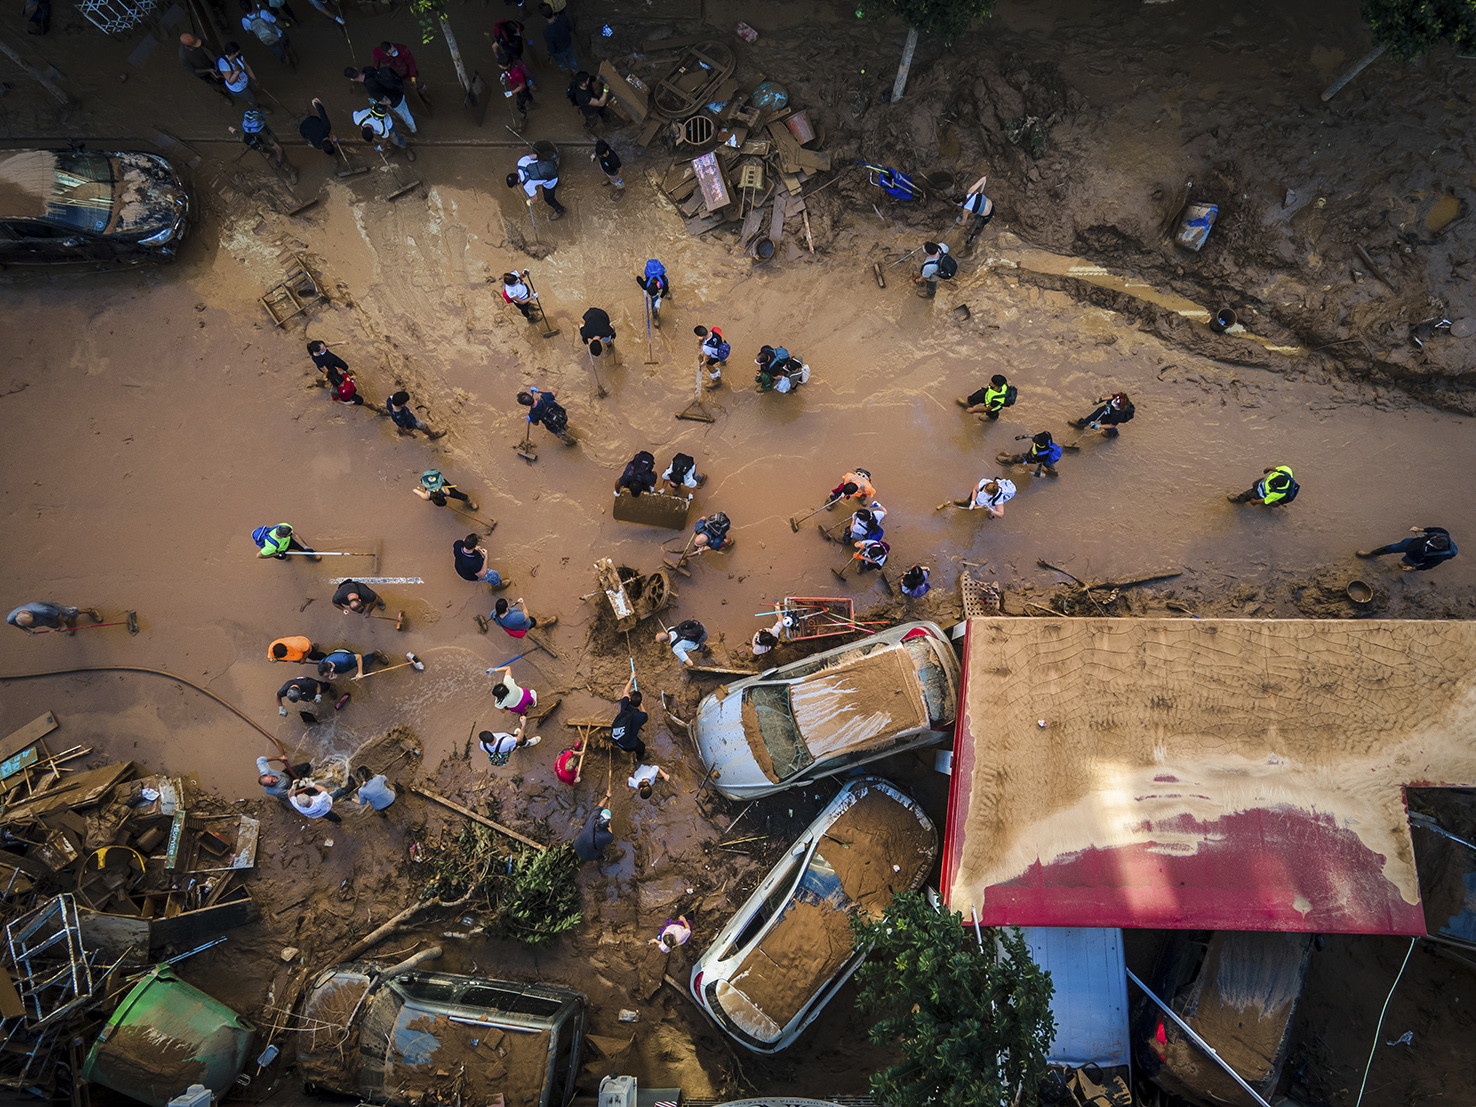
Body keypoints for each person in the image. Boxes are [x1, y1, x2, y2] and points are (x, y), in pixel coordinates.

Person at [348, 64, 417, 134]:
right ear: (355, 69)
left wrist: (376, 101)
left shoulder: (370, 88)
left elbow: (388, 102)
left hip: (396, 101)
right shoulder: (367, 69)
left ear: (352, 79)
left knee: (406, 115)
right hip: (397, 88)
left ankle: (413, 130)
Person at [231, 110, 297, 182]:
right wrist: (231, 129)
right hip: (260, 145)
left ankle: (292, 170)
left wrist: (278, 163)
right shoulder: (246, 131)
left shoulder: (267, 136)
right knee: (263, 149)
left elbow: (279, 150)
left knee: (282, 158)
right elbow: (238, 134)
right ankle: (268, 152)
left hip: (267, 143)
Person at [1357, 526, 1458, 572]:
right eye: (1432, 540)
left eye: (1433, 545)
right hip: (1410, 543)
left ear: (1439, 547)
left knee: (1405, 562)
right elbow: (1431, 529)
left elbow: (1429, 565)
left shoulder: (1441, 556)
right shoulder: (1442, 532)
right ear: (1435, 536)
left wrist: (1414, 568)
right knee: (1392, 547)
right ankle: (1372, 554)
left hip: (1415, 557)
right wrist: (1420, 529)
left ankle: (1406, 565)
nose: (1430, 542)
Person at [508, 153, 564, 218]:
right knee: (549, 177)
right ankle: (557, 183)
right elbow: (535, 155)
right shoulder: (521, 162)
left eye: (515, 185)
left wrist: (530, 202)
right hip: (549, 166)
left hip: (551, 181)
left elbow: (535, 198)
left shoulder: (527, 185)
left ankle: (560, 210)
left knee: (548, 199)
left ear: (518, 181)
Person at [179, 34, 231, 100]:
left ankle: (227, 87)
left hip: (208, 63)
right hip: (202, 73)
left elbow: (210, 46)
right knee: (215, 86)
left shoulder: (195, 39)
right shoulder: (183, 56)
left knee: (221, 77)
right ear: (188, 46)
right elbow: (193, 70)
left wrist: (220, 58)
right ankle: (223, 95)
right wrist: (209, 70)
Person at [610, 676, 649, 758]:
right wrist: (641, 704)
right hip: (629, 746)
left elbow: (625, 692)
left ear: (630, 700)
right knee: (641, 747)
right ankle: (639, 758)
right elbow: (645, 713)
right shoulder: (641, 716)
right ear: (639, 703)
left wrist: (632, 677)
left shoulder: (625, 706)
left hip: (617, 740)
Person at [1069, 392, 1135, 438]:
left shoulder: (1118, 414)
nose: (1114, 401)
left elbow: (1112, 425)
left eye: (1116, 404)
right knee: (1093, 416)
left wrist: (1097, 426)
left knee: (1104, 423)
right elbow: (1112, 396)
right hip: (1105, 409)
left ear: (1119, 407)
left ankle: (1113, 434)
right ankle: (1081, 424)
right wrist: (1100, 400)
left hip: (1111, 416)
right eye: (1114, 400)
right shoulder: (1118, 398)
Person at [216, 44, 262, 109]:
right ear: (233, 53)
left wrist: (254, 79)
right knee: (251, 98)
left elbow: (247, 67)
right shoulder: (223, 63)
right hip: (239, 88)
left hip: (246, 79)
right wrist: (237, 71)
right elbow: (230, 81)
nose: (239, 52)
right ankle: (257, 106)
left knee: (252, 89)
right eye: (237, 52)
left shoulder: (238, 56)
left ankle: (253, 94)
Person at [7, 602, 98, 635]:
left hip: (54, 611)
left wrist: (62, 624)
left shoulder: (42, 610)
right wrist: (26, 630)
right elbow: (13, 624)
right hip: (45, 621)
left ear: (28, 613)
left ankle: (90, 611)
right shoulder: (11, 618)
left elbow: (57, 614)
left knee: (69, 612)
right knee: (55, 624)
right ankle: (69, 623)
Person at [1227, 465, 1298, 506]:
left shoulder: (1279, 493)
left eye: (1272, 485)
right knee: (1254, 484)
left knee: (1247, 495)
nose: (1270, 484)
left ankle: (1237, 500)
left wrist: (1255, 502)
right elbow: (1275, 468)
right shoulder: (1286, 470)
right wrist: (1268, 469)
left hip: (1261, 493)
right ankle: (1273, 504)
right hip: (1261, 483)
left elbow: (1264, 500)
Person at [955, 174, 993, 248]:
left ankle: (970, 242)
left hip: (987, 215)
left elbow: (963, 223)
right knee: (977, 213)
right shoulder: (971, 191)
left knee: (976, 227)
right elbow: (984, 178)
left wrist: (958, 221)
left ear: (960, 203)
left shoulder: (966, 210)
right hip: (991, 205)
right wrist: (981, 192)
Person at [573, 797, 615, 862]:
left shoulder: (593, 818)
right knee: (600, 853)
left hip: (576, 845)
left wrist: (607, 796)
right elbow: (611, 834)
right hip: (587, 856)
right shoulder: (607, 836)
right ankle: (603, 858)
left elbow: (600, 805)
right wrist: (609, 823)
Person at [540, 2, 577, 72]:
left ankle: (564, 69)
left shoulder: (547, 32)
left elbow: (551, 46)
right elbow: (570, 28)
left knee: (560, 61)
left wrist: (550, 53)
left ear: (543, 16)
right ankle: (575, 69)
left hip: (559, 51)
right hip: (569, 44)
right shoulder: (563, 18)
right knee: (571, 58)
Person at [499, 54, 534, 128]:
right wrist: (504, 75)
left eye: (502, 67)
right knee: (527, 95)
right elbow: (507, 73)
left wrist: (511, 92)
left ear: (508, 65)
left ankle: (523, 117)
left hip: (521, 89)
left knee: (519, 105)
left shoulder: (517, 73)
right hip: (519, 87)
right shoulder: (508, 68)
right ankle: (532, 102)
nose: (502, 68)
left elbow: (522, 86)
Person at [253, 522, 317, 559]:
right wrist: (277, 554)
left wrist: (306, 547)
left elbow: (295, 536)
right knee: (286, 557)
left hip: (289, 542)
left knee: (310, 553)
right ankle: (286, 557)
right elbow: (259, 556)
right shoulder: (271, 547)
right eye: (290, 534)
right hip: (280, 550)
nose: (292, 533)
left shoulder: (284, 526)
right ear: (284, 536)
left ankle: (307, 553)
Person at [318, 648, 383, 683]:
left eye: (329, 674)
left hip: (349, 658)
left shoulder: (344, 659)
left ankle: (376, 654)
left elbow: (358, 657)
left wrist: (359, 672)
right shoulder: (321, 664)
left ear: (331, 669)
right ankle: (362, 666)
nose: (329, 675)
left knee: (366, 661)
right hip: (341, 666)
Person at [636, 259, 668, 323]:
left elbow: (666, 288)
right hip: (653, 277)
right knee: (654, 302)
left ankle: (667, 294)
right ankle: (655, 315)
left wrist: (660, 299)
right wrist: (644, 289)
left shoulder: (662, 283)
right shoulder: (645, 285)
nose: (652, 296)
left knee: (666, 287)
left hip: (661, 277)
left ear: (658, 290)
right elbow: (638, 278)